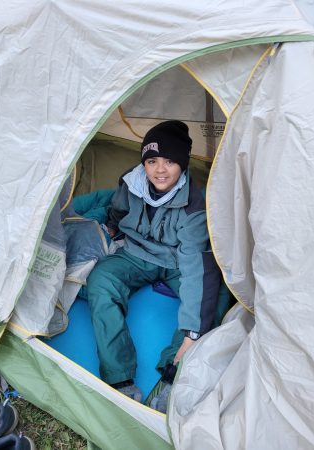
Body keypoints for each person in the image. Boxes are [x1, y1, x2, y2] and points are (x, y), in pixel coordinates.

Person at [86, 120, 219, 405]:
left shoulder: (195, 207)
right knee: (101, 280)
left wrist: (193, 331)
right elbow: (118, 210)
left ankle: (174, 373)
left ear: (183, 165)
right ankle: (119, 376)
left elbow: (194, 264)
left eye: (170, 161)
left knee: (210, 300)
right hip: (136, 254)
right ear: (144, 163)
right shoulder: (130, 184)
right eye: (152, 160)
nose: (160, 169)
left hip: (176, 263)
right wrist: (111, 227)